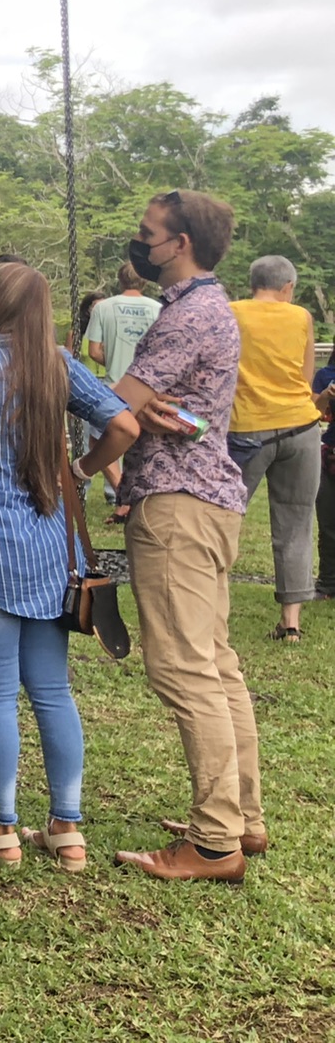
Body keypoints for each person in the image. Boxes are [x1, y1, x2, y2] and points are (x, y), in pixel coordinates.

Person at [0, 263, 138, 870]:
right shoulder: (60, 365)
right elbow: (125, 424)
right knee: (52, 690)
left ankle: (3, 832)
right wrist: (86, 469)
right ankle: (67, 831)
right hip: (52, 553)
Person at [108, 190, 262, 881]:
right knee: (217, 664)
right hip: (211, 496)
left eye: (149, 234)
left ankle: (212, 844)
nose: (141, 243)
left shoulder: (188, 315)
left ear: (182, 243)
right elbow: (201, 415)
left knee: (184, 669)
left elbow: (116, 402)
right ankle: (242, 820)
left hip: (177, 504)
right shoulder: (208, 310)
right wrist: (175, 419)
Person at [228, 255, 323, 642]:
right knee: (296, 523)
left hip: (248, 428)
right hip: (301, 426)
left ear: (253, 283)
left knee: (224, 517)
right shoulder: (301, 317)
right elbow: (305, 375)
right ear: (288, 287)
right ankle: (291, 622)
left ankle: (209, 603)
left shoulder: (230, 312)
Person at [84, 263, 161, 519]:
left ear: (119, 280)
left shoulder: (102, 307)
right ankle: (137, 500)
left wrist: (118, 362)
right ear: (146, 282)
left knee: (100, 442)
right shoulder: (158, 308)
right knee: (146, 447)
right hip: (150, 389)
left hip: (115, 386)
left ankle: (122, 495)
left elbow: (94, 351)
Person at [315, 361, 335, 601]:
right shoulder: (326, 375)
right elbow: (313, 412)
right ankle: (328, 584)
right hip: (331, 454)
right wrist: (324, 395)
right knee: (328, 524)